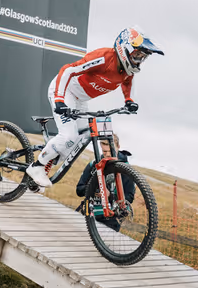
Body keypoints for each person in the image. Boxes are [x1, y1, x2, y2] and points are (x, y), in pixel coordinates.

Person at [25, 27, 164, 188]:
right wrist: (59, 100)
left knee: (80, 138)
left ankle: (48, 159)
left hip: (81, 99)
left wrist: (128, 100)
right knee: (68, 136)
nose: (139, 60)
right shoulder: (104, 58)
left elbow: (127, 82)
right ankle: (37, 166)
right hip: (66, 91)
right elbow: (68, 70)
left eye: (142, 58)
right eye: (137, 55)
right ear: (125, 49)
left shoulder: (127, 71)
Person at [74, 134, 135, 231]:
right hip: (89, 214)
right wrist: (94, 189)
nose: (108, 154)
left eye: (111, 151)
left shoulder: (126, 169)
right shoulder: (94, 164)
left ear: (118, 147)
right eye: (104, 151)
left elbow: (129, 197)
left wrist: (110, 195)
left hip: (112, 219)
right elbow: (79, 190)